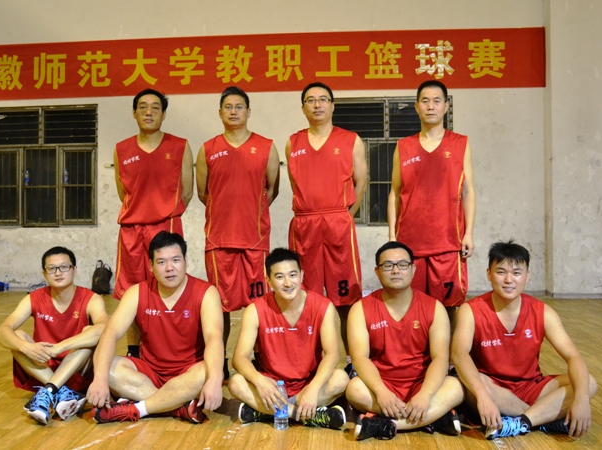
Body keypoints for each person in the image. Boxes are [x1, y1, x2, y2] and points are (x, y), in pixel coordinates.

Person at [451, 240, 598, 439]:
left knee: (588, 383)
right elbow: (458, 354)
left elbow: (573, 356)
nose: (508, 280)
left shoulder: (543, 312)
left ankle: (522, 422)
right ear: (489, 274)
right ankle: (543, 419)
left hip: (530, 387)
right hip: (492, 388)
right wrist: (483, 397)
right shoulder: (471, 310)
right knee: (470, 385)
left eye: (516, 273)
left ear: (527, 276)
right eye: (501, 272)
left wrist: (581, 399)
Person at [86, 231, 224, 424]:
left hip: (188, 373)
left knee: (207, 373)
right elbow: (111, 333)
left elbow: (214, 338)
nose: (169, 268)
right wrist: (100, 379)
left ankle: (136, 409)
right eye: (161, 262)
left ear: (186, 261)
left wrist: (215, 379)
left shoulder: (206, 292)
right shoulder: (137, 292)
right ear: (151, 265)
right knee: (106, 368)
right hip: (149, 374)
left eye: (175, 260)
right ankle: (177, 407)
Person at [196, 86, 280, 379]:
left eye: (239, 106)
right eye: (228, 107)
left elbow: (272, 190)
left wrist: (251, 214)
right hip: (219, 241)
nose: (233, 111)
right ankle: (219, 362)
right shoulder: (208, 148)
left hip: (255, 242)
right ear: (220, 113)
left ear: (248, 111)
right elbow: (203, 193)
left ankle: (260, 359)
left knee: (260, 305)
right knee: (219, 307)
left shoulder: (267, 147)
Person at [285, 81, 367, 372]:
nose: (317, 104)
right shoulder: (293, 143)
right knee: (304, 295)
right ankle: (308, 360)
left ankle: (353, 361)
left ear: (332, 105)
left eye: (323, 99)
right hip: (305, 223)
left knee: (345, 296)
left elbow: (361, 182)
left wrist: (345, 216)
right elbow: (295, 184)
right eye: (311, 100)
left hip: (337, 222)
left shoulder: (351, 140)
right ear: (303, 107)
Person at [347, 241, 464, 440]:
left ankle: (385, 424)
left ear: (413, 269)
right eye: (388, 265)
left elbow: (440, 358)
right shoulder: (360, 309)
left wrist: (425, 395)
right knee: (353, 390)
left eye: (402, 265)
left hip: (422, 383)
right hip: (382, 384)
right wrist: (381, 392)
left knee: (457, 388)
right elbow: (360, 358)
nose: (396, 270)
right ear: (377, 271)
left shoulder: (434, 307)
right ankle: (433, 418)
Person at [228, 248, 349, 429]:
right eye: (279, 277)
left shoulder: (322, 306)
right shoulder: (255, 310)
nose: (287, 283)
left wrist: (313, 389)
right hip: (273, 386)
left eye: (293, 275)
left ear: (302, 275)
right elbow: (239, 358)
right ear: (268, 280)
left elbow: (332, 354)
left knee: (341, 379)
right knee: (236, 383)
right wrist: (259, 381)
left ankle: (266, 411)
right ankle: (304, 415)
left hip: (308, 383)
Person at [114, 88, 194, 358]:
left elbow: (187, 192)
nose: (149, 112)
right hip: (131, 231)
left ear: (164, 114)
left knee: (168, 286)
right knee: (132, 292)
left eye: (155, 108)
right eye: (143, 107)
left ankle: (169, 349)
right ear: (134, 113)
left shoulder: (180, 146)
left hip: (165, 227)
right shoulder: (121, 149)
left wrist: (163, 212)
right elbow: (123, 193)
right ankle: (134, 351)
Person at [387, 80, 475, 323]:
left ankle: (449, 349)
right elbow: (395, 193)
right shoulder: (403, 146)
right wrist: (392, 236)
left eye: (437, 101)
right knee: (411, 307)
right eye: (425, 101)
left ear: (446, 106)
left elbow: (468, 191)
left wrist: (468, 233)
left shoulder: (460, 143)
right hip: (410, 244)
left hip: (448, 243)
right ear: (416, 107)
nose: (430, 106)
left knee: (449, 308)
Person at [0, 246, 108, 424]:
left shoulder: (91, 298)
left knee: (89, 333)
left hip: (77, 366)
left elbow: (105, 328)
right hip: (44, 367)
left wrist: (59, 347)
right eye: (51, 268)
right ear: (44, 273)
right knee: (17, 335)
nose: (58, 273)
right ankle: (60, 392)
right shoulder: (34, 298)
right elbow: (2, 331)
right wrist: (26, 347)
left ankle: (49, 391)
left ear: (74, 270)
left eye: (64, 267)